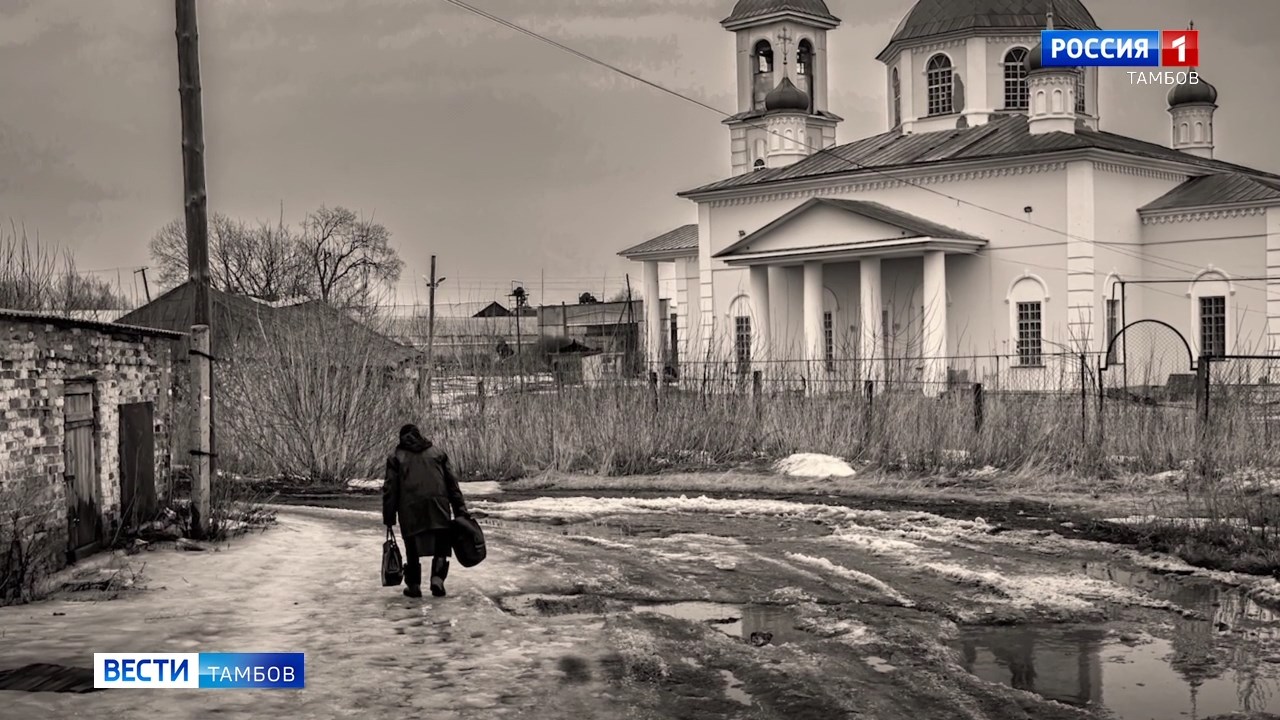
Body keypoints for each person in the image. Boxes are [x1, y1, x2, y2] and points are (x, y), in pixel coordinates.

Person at [382, 423, 470, 598]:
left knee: (412, 547)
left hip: (410, 508)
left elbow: (390, 490)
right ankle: (437, 579)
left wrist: (389, 517)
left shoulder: (396, 457)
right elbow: (452, 485)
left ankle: (414, 586)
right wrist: (460, 510)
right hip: (438, 504)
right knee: (441, 543)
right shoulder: (437, 453)